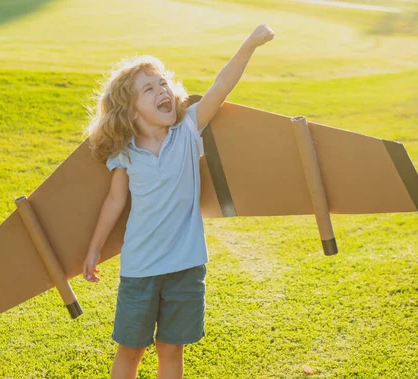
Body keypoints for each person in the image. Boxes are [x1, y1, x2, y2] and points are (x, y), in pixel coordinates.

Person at [82, 24, 274, 379]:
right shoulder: (125, 154)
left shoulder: (188, 130)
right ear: (130, 111)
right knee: (131, 350)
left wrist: (251, 43)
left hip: (186, 268)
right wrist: (94, 249)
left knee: (170, 350)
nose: (162, 91)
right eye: (149, 89)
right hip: (139, 270)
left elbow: (221, 86)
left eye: (163, 84)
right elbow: (113, 201)